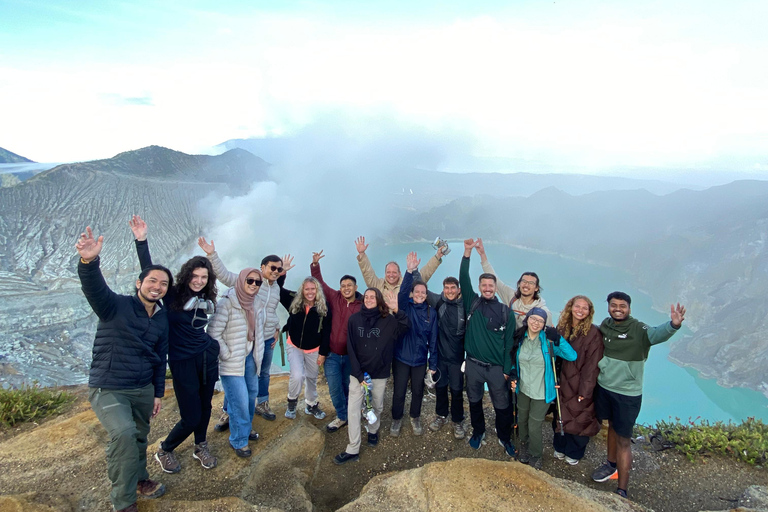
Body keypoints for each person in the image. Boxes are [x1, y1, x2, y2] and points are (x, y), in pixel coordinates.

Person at [77, 226, 170, 512]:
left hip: (142, 387)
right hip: (109, 387)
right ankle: (124, 502)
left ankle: (141, 478)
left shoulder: (161, 318)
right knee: (125, 434)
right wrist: (89, 262)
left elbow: (159, 356)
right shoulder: (114, 306)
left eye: (163, 284)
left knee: (140, 437)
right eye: (151, 280)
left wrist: (157, 393)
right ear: (139, 282)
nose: (157, 286)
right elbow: (94, 288)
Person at [128, 216, 219, 473]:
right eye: (195, 275)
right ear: (187, 274)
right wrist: (141, 241)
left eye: (204, 276)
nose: (199, 280)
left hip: (206, 355)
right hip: (182, 361)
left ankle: (200, 445)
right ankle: (165, 449)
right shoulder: (173, 295)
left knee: (205, 406)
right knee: (191, 415)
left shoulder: (207, 295)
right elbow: (150, 272)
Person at [591, 292, 686, 499]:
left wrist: (674, 325)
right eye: (614, 305)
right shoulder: (606, 325)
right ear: (608, 307)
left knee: (624, 439)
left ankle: (622, 490)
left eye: (622, 306)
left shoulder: (639, 329)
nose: (618, 308)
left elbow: (656, 334)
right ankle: (610, 465)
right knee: (612, 428)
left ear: (629, 308)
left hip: (627, 394)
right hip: (605, 387)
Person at [200, 239, 293, 428]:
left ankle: (262, 403)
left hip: (267, 338)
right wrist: (212, 255)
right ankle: (228, 411)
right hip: (248, 339)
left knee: (264, 373)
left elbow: (271, 311)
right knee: (238, 376)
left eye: (279, 269)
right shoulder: (251, 281)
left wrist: (276, 328)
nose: (275, 271)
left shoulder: (276, 288)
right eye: (272, 268)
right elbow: (225, 276)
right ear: (262, 267)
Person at [334, 288, 409, 464]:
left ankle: (373, 430)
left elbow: (406, 327)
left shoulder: (388, 321)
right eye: (366, 297)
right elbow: (350, 347)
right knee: (353, 410)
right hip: (357, 374)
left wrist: (396, 310)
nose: (368, 299)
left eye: (372, 297)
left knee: (377, 406)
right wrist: (359, 375)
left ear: (379, 300)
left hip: (379, 373)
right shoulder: (354, 320)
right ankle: (353, 448)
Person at [459, 238, 517, 457]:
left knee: (502, 405)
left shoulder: (505, 312)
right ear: (480, 287)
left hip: (495, 368)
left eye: (491, 286)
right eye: (483, 285)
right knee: (474, 401)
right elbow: (463, 278)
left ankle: (504, 437)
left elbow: (509, 342)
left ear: (495, 288)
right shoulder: (472, 303)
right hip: (473, 364)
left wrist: (506, 369)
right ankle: (478, 431)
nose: (487, 288)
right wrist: (467, 253)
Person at [206, 263, 265, 458]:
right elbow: (213, 333)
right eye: (250, 280)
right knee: (239, 400)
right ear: (242, 280)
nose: (254, 284)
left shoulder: (255, 303)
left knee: (250, 396)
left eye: (257, 282)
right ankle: (239, 440)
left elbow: (258, 330)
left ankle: (245, 429)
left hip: (249, 356)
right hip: (232, 360)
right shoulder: (227, 303)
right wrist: (226, 354)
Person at [510, 308, 577, 470]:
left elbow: (572, 356)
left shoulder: (549, 341)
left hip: (542, 392)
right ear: (527, 319)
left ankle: (536, 454)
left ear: (544, 324)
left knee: (534, 425)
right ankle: (524, 446)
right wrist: (513, 374)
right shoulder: (520, 337)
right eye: (533, 319)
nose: (536, 323)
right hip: (523, 388)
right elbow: (514, 359)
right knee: (522, 420)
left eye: (540, 321)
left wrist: (559, 339)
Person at [310, 250, 363, 432]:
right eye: (343, 285)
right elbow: (320, 284)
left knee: (348, 387)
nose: (346, 288)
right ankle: (342, 416)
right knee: (334, 388)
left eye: (349, 285)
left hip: (350, 355)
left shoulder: (362, 306)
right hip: (332, 354)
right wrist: (315, 265)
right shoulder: (334, 298)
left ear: (356, 287)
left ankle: (351, 412)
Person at [413, 268, 466, 439]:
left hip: (458, 358)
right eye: (447, 288)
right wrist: (413, 271)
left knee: (457, 391)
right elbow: (421, 290)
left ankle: (458, 420)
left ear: (458, 290)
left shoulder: (465, 305)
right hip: (441, 357)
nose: (450, 291)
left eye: (453, 288)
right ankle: (441, 415)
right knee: (441, 388)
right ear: (443, 289)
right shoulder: (438, 301)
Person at [390, 252, 438, 437]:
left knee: (418, 391)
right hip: (401, 357)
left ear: (426, 295)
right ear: (412, 293)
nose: (419, 294)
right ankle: (396, 419)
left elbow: (433, 340)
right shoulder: (405, 306)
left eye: (423, 293)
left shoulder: (430, 313)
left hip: (419, 360)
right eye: (416, 292)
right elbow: (401, 293)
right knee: (399, 390)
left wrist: (432, 365)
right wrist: (409, 271)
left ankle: (415, 417)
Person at [552, 295, 604, 465]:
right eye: (577, 306)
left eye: (584, 308)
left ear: (589, 312)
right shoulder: (562, 328)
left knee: (581, 418)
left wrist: (585, 390)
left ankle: (574, 453)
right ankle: (560, 447)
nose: (580, 310)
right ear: (570, 307)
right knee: (561, 415)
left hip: (579, 383)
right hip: (561, 381)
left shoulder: (593, 333)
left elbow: (592, 365)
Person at [278, 275, 332, 420]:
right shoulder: (293, 301)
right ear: (302, 290)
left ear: (317, 290)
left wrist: (323, 353)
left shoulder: (324, 307)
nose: (310, 292)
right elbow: (277, 288)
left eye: (312, 289)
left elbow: (327, 332)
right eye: (307, 289)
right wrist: (282, 273)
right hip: (294, 345)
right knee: (297, 375)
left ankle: (311, 404)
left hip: (314, 349)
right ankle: (292, 401)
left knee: (311, 378)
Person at [475, 238, 553, 328]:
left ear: (536, 288)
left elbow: (547, 332)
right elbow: (495, 280)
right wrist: (482, 255)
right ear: (519, 284)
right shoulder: (512, 297)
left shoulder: (542, 310)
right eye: (524, 281)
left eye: (531, 283)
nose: (526, 285)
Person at [354, 235, 444, 295]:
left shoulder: (407, 284)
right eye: (388, 272)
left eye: (394, 272)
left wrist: (437, 257)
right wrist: (362, 255)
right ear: (385, 274)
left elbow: (424, 274)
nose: (391, 275)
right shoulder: (379, 285)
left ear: (399, 273)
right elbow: (368, 274)